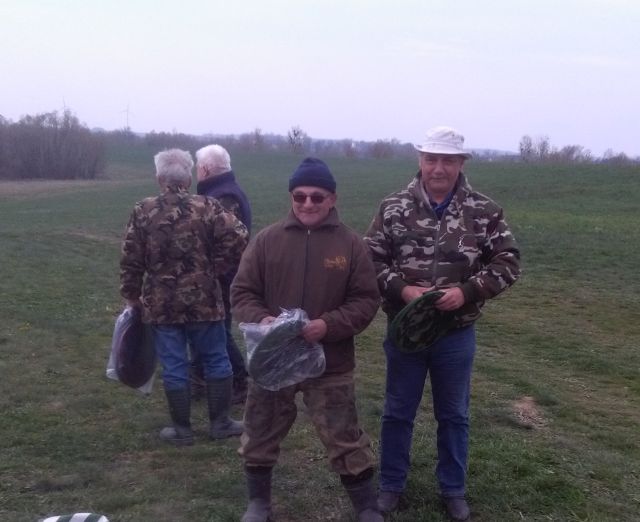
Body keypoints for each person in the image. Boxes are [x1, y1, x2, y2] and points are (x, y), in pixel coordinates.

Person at [364, 127, 521, 521]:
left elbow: (508, 262)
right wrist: (402, 289)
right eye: (431, 159)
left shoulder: (484, 211)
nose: (438, 168)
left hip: (455, 333)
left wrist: (467, 292)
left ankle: (453, 488)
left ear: (460, 163)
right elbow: (370, 260)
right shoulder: (393, 207)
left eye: (447, 160)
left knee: (454, 415)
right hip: (406, 332)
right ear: (420, 161)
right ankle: (391, 485)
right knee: (398, 411)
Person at [231, 157, 384, 522]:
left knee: (344, 436)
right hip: (272, 361)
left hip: (330, 363)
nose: (307, 204)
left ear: (332, 199)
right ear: (291, 197)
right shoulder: (267, 240)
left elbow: (366, 300)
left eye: (317, 197)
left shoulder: (350, 245)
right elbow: (242, 292)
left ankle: (366, 506)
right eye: (299, 196)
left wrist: (327, 326)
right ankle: (259, 504)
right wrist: (263, 320)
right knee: (259, 432)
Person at [119, 148, 249, 446]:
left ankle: (182, 430)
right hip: (205, 300)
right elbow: (240, 236)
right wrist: (216, 267)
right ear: (189, 179)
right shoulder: (208, 206)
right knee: (216, 359)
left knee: (174, 364)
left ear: (159, 178)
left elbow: (130, 259)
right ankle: (220, 423)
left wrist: (131, 296)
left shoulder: (143, 210)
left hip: (162, 304)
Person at [189, 144, 252, 404]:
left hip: (223, 277)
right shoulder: (223, 191)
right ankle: (198, 377)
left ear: (205, 169)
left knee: (218, 330)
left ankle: (240, 380)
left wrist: (211, 272)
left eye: (197, 168)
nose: (196, 172)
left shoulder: (223, 197)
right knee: (206, 326)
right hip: (221, 274)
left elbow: (230, 242)